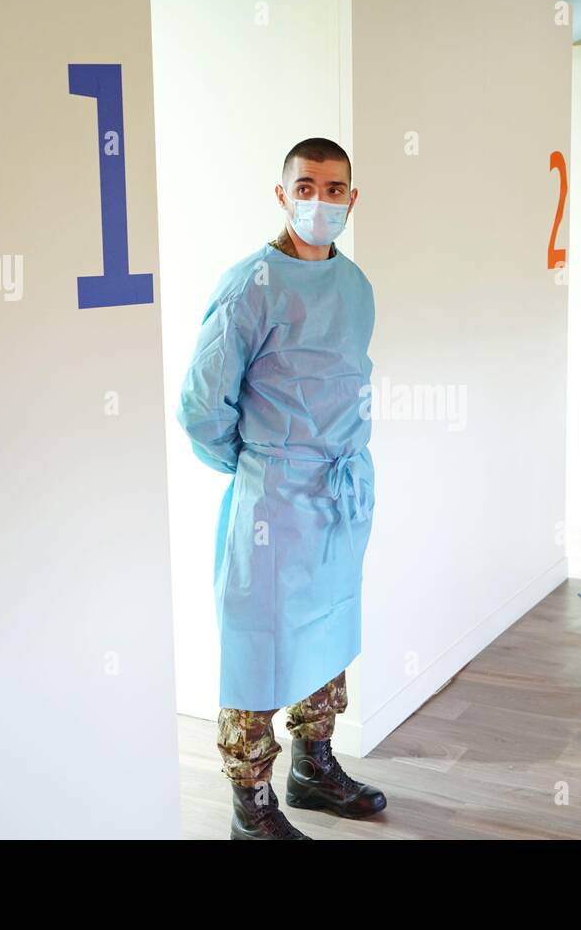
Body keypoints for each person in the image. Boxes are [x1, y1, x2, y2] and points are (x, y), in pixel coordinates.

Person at [176, 138, 386, 840]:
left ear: (351, 199)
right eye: (306, 186)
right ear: (281, 193)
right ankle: (252, 806)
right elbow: (202, 405)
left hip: (337, 495)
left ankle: (314, 765)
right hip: (274, 500)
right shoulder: (251, 285)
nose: (319, 201)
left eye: (334, 190)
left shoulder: (355, 286)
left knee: (327, 628)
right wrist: (261, 462)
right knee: (258, 645)